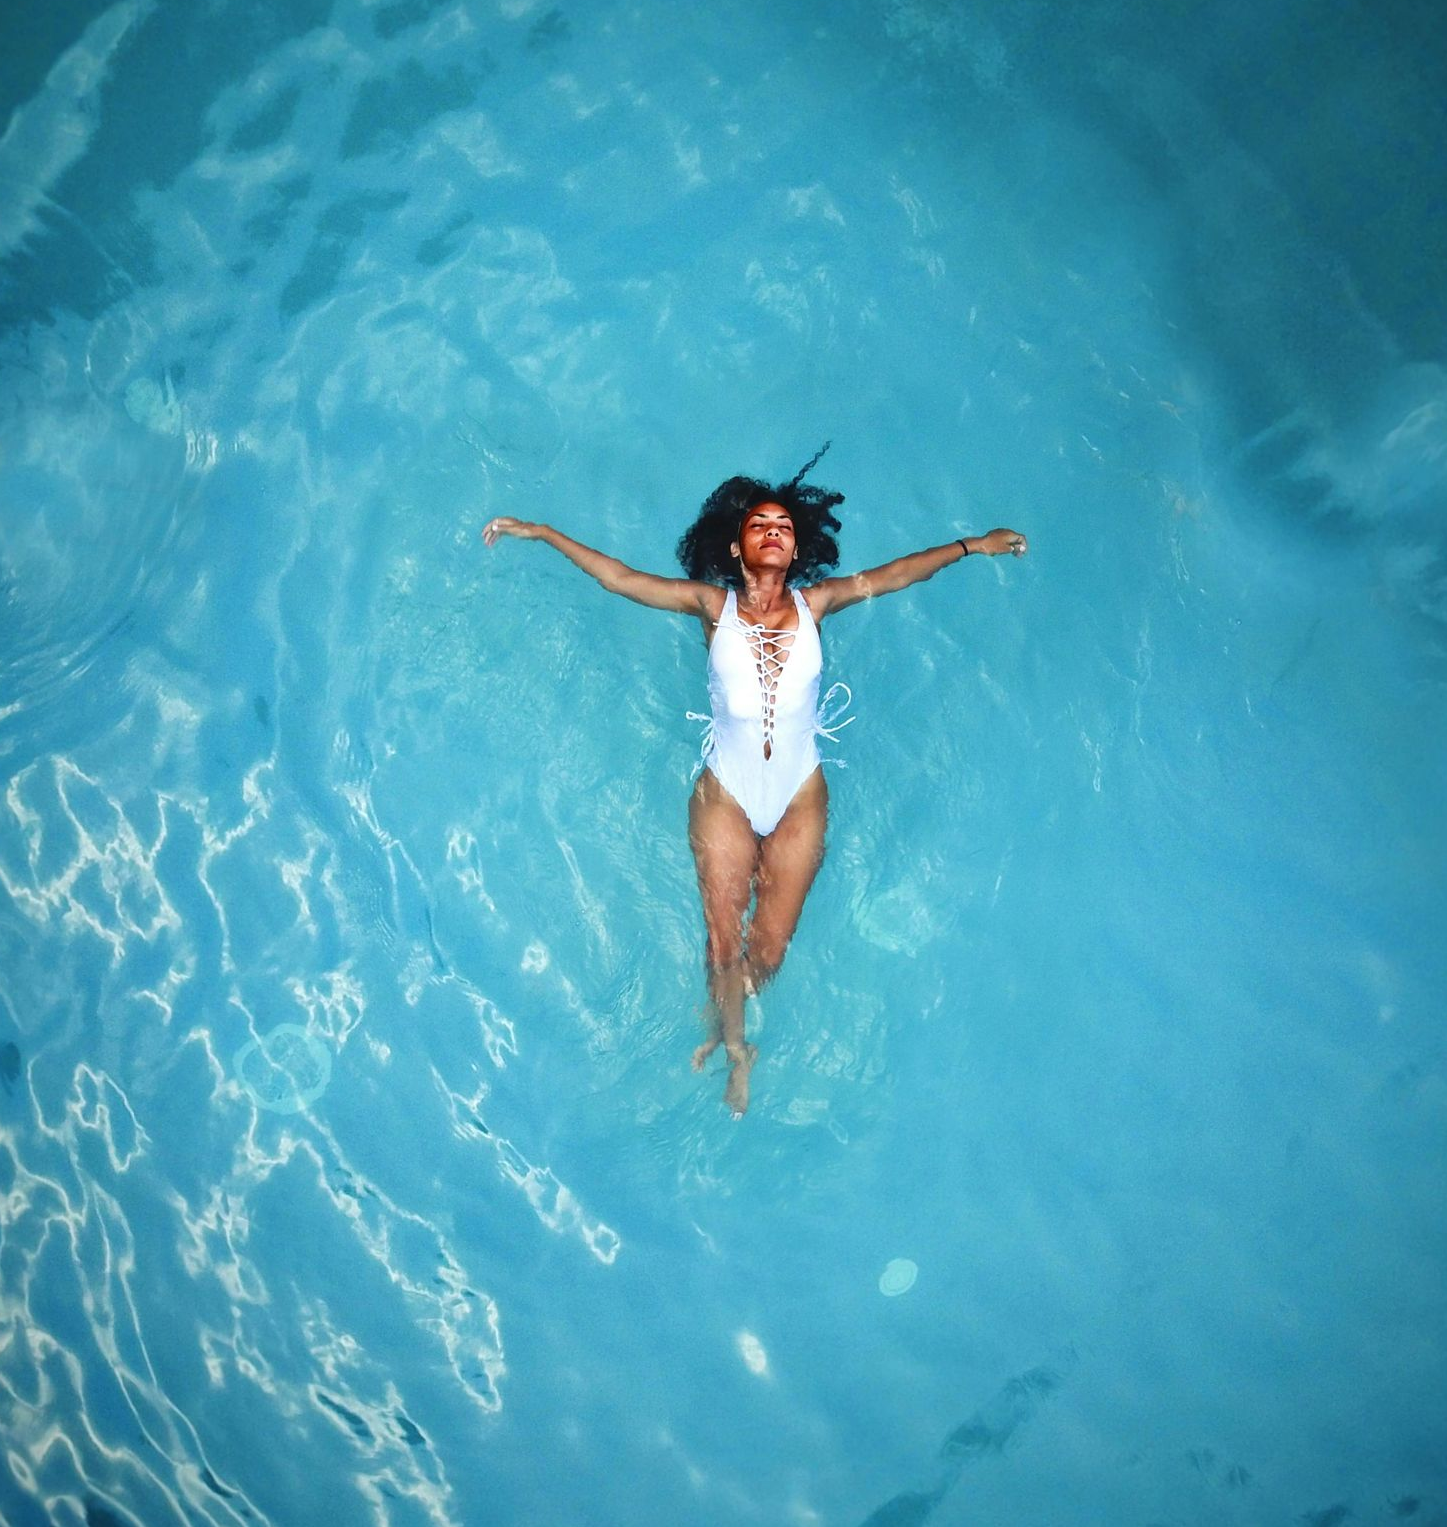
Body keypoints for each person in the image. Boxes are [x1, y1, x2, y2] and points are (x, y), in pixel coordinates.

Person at [483, 447, 1027, 1114]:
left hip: (799, 795)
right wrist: (542, 532)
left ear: (795, 551)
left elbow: (897, 574)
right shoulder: (710, 606)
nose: (773, 531)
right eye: (759, 525)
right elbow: (619, 578)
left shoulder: (817, 602)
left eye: (784, 527)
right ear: (737, 548)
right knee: (722, 942)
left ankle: (727, 1013)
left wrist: (975, 545)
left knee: (765, 952)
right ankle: (737, 1050)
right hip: (727, 795)